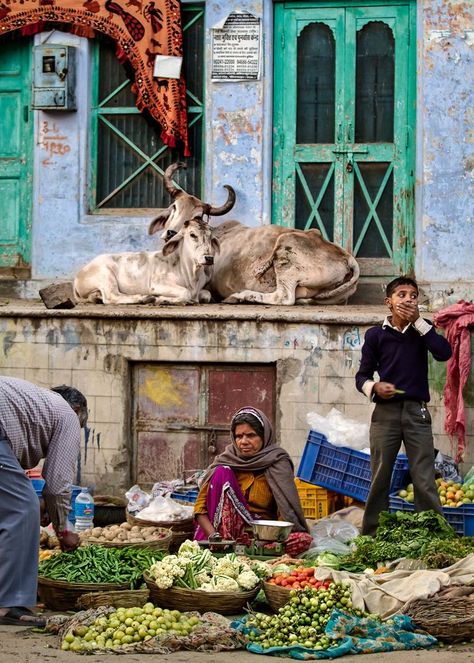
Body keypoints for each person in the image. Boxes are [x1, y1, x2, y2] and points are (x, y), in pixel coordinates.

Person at [355, 276, 452, 536]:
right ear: (389, 302)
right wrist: (374, 388)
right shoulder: (376, 335)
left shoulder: (423, 331)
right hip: (384, 413)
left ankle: (432, 533)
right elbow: (362, 376)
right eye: (402, 294)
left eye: (413, 295)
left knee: (424, 476)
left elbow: (444, 353)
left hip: (416, 412)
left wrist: (419, 322)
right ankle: (373, 534)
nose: (408, 299)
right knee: (380, 475)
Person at [0, 377, 88, 627]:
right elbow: (58, 485)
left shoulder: (35, 403)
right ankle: (9, 604)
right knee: (22, 509)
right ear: (78, 411)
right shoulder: (68, 416)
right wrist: (63, 529)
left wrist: (45, 503)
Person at [193, 406, 312, 556]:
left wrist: (271, 539)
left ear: (264, 436)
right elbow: (200, 510)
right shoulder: (225, 461)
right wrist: (214, 538)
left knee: (304, 540)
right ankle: (231, 549)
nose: (243, 441)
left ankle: (253, 551)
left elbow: (285, 510)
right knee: (222, 472)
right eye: (239, 436)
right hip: (223, 536)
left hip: (263, 536)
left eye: (251, 435)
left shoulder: (278, 462)